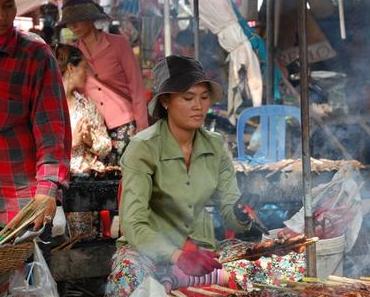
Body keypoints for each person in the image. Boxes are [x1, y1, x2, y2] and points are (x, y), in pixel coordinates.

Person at [105, 55, 257, 296]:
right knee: (127, 279)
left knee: (264, 271)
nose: (199, 106)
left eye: (204, 98)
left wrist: (241, 214)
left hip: (203, 252)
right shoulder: (143, 147)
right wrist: (176, 255)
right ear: (165, 101)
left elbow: (230, 213)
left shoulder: (216, 146)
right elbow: (133, 223)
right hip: (148, 252)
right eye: (188, 98)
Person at [0, 0, 71, 293]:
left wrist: (48, 189)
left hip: (18, 203)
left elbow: (52, 128)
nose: (2, 16)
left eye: (6, 6)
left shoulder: (34, 54)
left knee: (19, 284)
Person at [58, 0, 148, 165]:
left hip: (124, 123)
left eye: (78, 20)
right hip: (94, 128)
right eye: (69, 22)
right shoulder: (75, 53)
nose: (73, 26)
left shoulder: (118, 44)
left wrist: (142, 125)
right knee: (101, 178)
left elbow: (136, 86)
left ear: (90, 19)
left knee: (126, 174)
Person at [55, 44, 112, 175]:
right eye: (84, 68)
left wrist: (91, 141)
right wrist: (72, 142)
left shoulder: (86, 105)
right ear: (70, 68)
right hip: (56, 177)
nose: (87, 74)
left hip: (84, 179)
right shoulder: (47, 107)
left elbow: (106, 146)